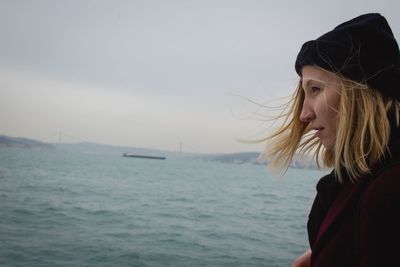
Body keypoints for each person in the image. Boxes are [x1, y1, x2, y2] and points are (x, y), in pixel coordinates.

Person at [263, 13, 400, 267]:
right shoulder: (358, 182)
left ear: (361, 91)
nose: (304, 114)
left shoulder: (388, 191)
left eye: (315, 89)